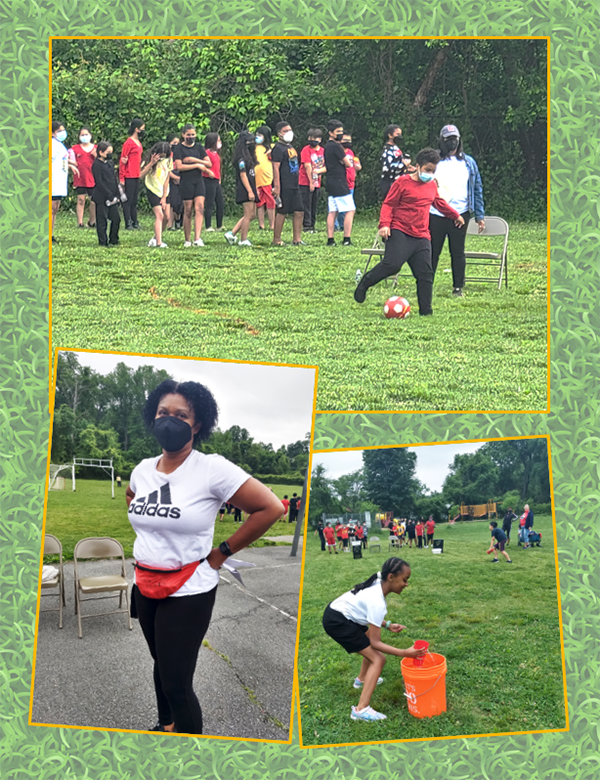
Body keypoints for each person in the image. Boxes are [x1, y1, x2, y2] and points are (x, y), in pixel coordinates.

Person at [126, 378, 284, 735]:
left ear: (197, 424)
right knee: (160, 664)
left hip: (189, 588)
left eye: (181, 415)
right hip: (145, 582)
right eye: (163, 412)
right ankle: (165, 726)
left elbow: (271, 507)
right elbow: (132, 498)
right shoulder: (142, 469)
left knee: (177, 684)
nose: (169, 419)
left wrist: (221, 553)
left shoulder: (212, 468)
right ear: (153, 416)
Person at [354, 148, 464, 315]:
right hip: (400, 230)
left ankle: (426, 312)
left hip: (421, 235)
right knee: (392, 265)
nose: (430, 174)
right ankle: (365, 283)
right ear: (418, 166)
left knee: (425, 273)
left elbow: (438, 203)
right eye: (428, 170)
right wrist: (384, 224)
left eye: (434, 171)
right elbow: (388, 204)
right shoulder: (402, 183)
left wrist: (455, 215)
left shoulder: (431, 185)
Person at [322, 557, 426, 721]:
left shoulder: (378, 581)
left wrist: (387, 624)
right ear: (391, 577)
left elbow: (367, 613)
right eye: (404, 580)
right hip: (338, 622)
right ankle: (361, 710)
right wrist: (404, 652)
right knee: (378, 658)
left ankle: (362, 679)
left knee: (371, 646)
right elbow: (375, 643)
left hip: (339, 614)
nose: (406, 584)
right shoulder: (378, 601)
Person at [429, 124, 485, 297]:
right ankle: (427, 284)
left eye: (455, 139)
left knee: (457, 251)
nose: (452, 143)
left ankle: (458, 287)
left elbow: (477, 188)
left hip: (460, 213)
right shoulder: (435, 161)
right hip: (436, 212)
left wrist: (479, 215)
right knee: (432, 250)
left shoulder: (468, 162)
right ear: (442, 141)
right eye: (448, 140)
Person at [172, 123, 212, 248]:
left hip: (198, 181)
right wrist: (196, 166)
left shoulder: (199, 147)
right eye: (188, 135)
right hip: (186, 181)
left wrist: (195, 161)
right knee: (188, 210)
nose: (191, 137)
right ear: (183, 135)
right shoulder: (179, 148)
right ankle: (187, 239)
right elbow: (179, 166)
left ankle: (197, 238)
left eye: (193, 134)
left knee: (200, 208)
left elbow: (208, 163)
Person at [271, 121, 304, 246]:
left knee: (299, 210)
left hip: (295, 184)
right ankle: (276, 239)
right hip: (284, 185)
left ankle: (297, 239)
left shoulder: (290, 147)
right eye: (285, 131)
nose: (289, 133)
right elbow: (275, 168)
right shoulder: (278, 148)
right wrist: (277, 187)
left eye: (290, 130)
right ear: (279, 133)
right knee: (282, 211)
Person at [324, 120, 355, 247]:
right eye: (338, 132)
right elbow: (348, 163)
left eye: (341, 132)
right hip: (339, 180)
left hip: (330, 180)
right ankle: (346, 238)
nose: (340, 134)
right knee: (350, 210)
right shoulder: (337, 146)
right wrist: (345, 161)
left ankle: (330, 239)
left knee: (333, 211)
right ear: (331, 133)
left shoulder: (326, 146)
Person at [224, 132, 258, 247]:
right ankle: (243, 239)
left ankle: (232, 233)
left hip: (251, 186)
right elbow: (243, 175)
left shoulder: (250, 157)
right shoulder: (241, 159)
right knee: (248, 214)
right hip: (245, 188)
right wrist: (249, 191)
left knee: (252, 214)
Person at [140, 142, 173, 249]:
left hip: (164, 191)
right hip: (152, 189)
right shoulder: (149, 159)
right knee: (159, 215)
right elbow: (140, 175)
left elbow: (167, 178)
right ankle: (159, 243)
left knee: (167, 217)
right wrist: (151, 163)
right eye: (160, 156)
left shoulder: (168, 160)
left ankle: (155, 238)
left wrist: (164, 197)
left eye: (163, 156)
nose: (161, 158)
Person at [51, 121, 79, 244]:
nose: (63, 133)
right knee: (51, 209)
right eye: (59, 131)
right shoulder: (52, 144)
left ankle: (51, 233)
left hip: (59, 181)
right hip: (53, 181)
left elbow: (60, 161)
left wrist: (69, 166)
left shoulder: (59, 144)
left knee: (55, 208)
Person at [91, 142, 121, 247]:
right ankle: (103, 241)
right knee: (102, 220)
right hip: (101, 196)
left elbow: (114, 179)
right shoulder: (96, 165)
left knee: (116, 218)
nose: (110, 155)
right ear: (101, 152)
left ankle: (114, 239)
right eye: (108, 152)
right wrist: (109, 195)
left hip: (112, 195)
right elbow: (99, 182)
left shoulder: (110, 164)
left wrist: (117, 193)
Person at [119, 118, 145, 230]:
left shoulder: (138, 142)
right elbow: (122, 160)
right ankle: (128, 222)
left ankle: (135, 221)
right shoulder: (128, 143)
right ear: (136, 129)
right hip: (129, 174)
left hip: (136, 174)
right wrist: (122, 177)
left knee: (134, 200)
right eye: (142, 129)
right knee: (128, 200)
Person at [299, 129, 326, 233]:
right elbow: (307, 166)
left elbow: (327, 166)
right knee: (306, 204)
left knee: (314, 204)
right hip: (305, 182)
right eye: (310, 138)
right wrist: (311, 182)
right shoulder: (306, 150)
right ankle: (307, 226)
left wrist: (319, 171)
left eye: (314, 138)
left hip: (317, 182)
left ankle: (312, 225)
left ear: (319, 139)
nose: (311, 140)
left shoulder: (323, 151)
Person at [71, 126, 97, 228]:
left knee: (93, 201)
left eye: (86, 134)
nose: (84, 136)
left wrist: (95, 155)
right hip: (80, 178)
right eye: (82, 135)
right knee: (81, 200)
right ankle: (80, 222)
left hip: (92, 178)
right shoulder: (75, 149)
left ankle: (92, 221)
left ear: (90, 136)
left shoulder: (96, 148)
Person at [335, 133, 361, 231]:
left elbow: (357, 165)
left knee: (348, 207)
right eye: (345, 140)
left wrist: (357, 166)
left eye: (349, 140)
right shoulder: (338, 152)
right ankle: (336, 226)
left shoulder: (351, 152)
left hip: (351, 182)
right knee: (338, 206)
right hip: (341, 181)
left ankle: (343, 226)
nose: (347, 142)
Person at [379, 124, 410, 200]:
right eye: (397, 134)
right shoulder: (387, 149)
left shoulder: (396, 148)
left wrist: (409, 167)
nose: (400, 137)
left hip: (398, 182)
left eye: (400, 134)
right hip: (390, 183)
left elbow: (400, 160)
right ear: (390, 135)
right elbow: (387, 167)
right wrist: (403, 165)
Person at [254, 126, 275, 231]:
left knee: (270, 202)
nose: (257, 137)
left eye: (260, 135)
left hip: (267, 179)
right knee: (259, 203)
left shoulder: (271, 147)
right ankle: (261, 225)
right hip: (257, 180)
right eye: (256, 135)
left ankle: (272, 225)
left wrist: (271, 153)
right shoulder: (254, 148)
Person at [203, 132, 224, 233]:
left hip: (216, 180)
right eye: (218, 141)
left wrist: (219, 178)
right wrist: (208, 172)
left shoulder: (216, 154)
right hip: (208, 179)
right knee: (209, 203)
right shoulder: (207, 153)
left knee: (220, 203)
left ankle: (219, 225)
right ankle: (208, 226)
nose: (220, 143)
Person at [165, 134, 183, 231]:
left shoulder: (180, 154)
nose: (176, 145)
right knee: (172, 202)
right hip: (170, 180)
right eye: (174, 143)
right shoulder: (167, 156)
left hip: (180, 178)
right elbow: (166, 170)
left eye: (178, 143)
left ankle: (178, 221)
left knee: (180, 203)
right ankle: (170, 224)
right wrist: (175, 178)